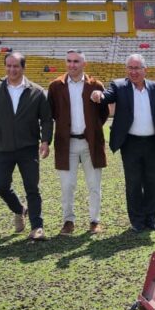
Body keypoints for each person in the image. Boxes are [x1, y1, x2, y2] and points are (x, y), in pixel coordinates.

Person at [90, 54, 155, 233]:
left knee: (151, 182)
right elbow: (107, 96)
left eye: (137, 68)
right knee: (134, 183)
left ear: (145, 70)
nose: (133, 72)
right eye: (130, 68)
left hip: (152, 142)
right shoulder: (119, 86)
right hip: (130, 144)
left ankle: (151, 219)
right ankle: (136, 220)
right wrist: (99, 94)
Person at [0, 52, 52, 241]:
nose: (12, 69)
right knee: (0, 185)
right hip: (2, 148)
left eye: (16, 66)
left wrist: (45, 141)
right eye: (9, 66)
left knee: (32, 188)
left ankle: (37, 227)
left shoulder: (36, 91)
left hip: (28, 148)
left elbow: (46, 119)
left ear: (23, 68)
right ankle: (20, 209)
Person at [48, 49, 109, 235]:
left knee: (94, 184)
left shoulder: (96, 85)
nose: (72, 65)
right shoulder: (56, 86)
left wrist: (92, 129)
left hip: (91, 142)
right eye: (69, 61)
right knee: (67, 185)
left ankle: (94, 221)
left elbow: (103, 113)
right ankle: (68, 221)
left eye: (76, 61)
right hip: (66, 143)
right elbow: (50, 113)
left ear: (84, 64)